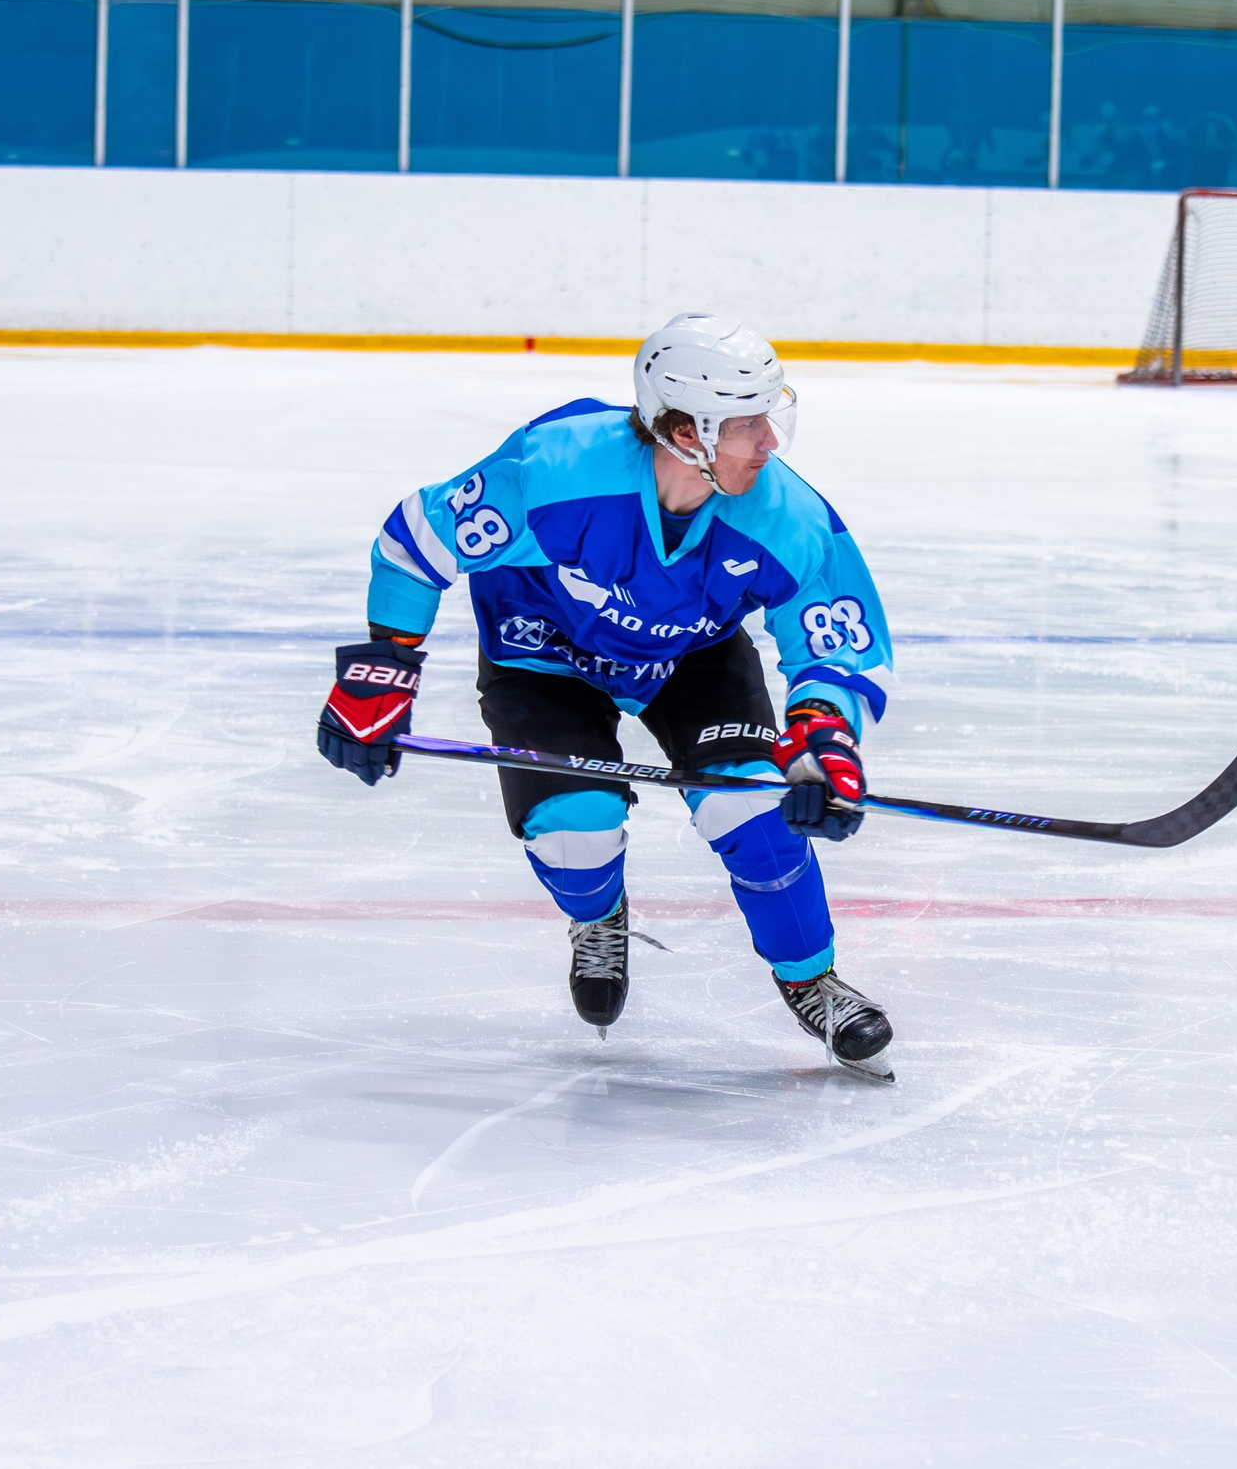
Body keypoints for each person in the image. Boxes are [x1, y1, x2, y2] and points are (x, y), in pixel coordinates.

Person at [316, 315, 900, 1081]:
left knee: (753, 808)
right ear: (686, 432)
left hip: (690, 655)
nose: (769, 442)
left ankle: (810, 977)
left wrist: (824, 734)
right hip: (543, 653)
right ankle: (598, 916)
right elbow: (416, 539)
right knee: (576, 828)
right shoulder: (557, 469)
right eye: (747, 424)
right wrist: (382, 669)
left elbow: (838, 643)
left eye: (770, 416)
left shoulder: (784, 515)